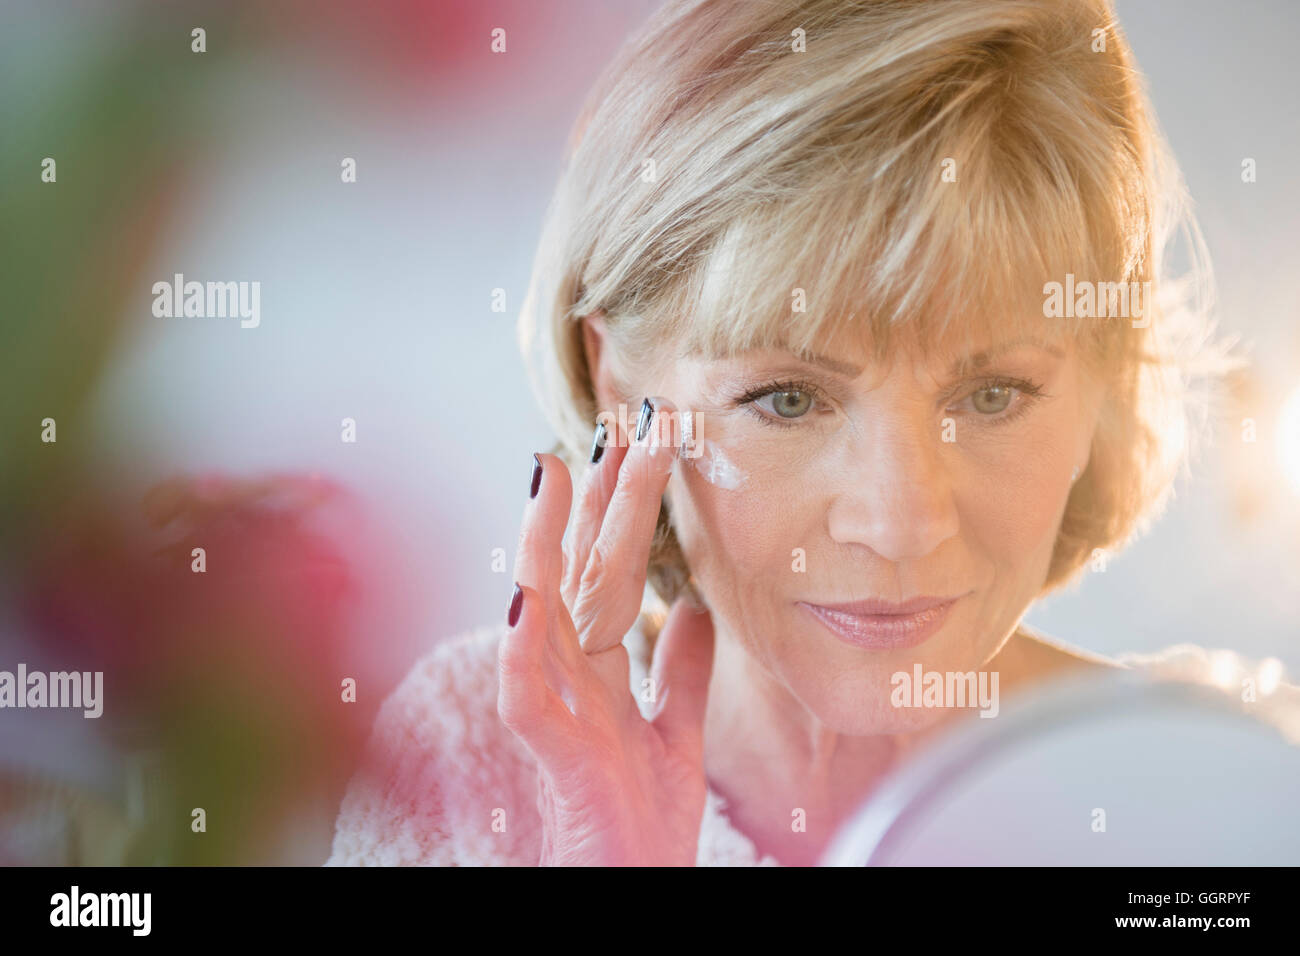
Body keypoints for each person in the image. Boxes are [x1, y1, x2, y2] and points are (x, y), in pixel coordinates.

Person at [326, 0, 1281, 866]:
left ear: (1103, 394)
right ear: (621, 388)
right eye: (788, 399)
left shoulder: (1223, 805)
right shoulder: (478, 769)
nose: (900, 522)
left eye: (992, 394)